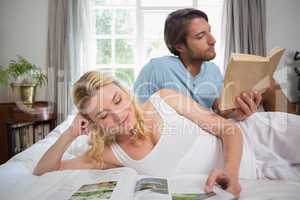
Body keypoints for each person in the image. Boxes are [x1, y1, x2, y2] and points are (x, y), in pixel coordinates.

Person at [34, 71, 300, 197]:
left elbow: (227, 128)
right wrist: (69, 134)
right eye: (103, 115)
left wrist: (230, 171)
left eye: (117, 100)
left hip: (260, 136)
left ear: (125, 92)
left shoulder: (164, 100)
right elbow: (44, 170)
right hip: (264, 173)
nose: (118, 114)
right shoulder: (109, 154)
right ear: (93, 123)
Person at [134, 8, 263, 121]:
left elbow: (220, 111)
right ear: (180, 46)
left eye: (209, 32)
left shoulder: (213, 71)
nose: (212, 40)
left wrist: (237, 113)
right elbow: (137, 114)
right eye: (201, 36)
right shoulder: (156, 69)